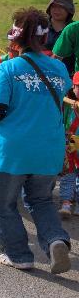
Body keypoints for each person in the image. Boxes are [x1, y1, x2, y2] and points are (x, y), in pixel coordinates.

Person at [0, 8, 72, 274]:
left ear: (16, 37)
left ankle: (19, 255)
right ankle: (55, 240)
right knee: (41, 200)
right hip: (49, 149)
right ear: (44, 38)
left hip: (13, 151)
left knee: (4, 205)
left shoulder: (8, 68)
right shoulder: (59, 68)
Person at [59, 72, 79, 219]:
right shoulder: (68, 105)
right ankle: (66, 203)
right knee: (68, 174)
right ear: (73, 87)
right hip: (70, 144)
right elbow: (63, 123)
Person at [49, 0, 77, 75]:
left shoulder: (74, 29)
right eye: (54, 6)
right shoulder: (39, 27)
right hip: (42, 74)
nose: (56, 10)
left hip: (69, 77)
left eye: (61, 7)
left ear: (69, 9)